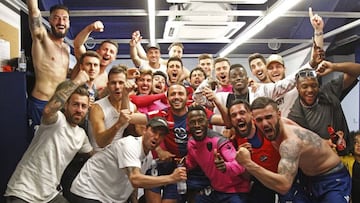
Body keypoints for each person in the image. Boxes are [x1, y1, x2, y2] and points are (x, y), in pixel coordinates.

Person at [236, 97, 351, 203]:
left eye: (269, 117)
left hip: (332, 178)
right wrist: (231, 131)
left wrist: (248, 163)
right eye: (259, 120)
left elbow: (283, 186)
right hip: (307, 178)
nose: (265, 123)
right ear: (253, 120)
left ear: (278, 115)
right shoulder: (275, 125)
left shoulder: (290, 143)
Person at [128, 83, 230, 203]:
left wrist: (217, 101)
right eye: (173, 94)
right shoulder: (163, 114)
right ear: (167, 98)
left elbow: (227, 122)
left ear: (187, 97)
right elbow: (129, 118)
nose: (176, 97)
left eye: (180, 94)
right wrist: (159, 150)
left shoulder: (197, 113)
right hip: (165, 164)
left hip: (189, 168)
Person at [5, 70, 94, 203]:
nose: (79, 110)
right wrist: (77, 81)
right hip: (23, 192)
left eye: (83, 106)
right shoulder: (57, 120)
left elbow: (95, 156)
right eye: (75, 104)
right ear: (66, 105)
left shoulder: (81, 136)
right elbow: (48, 110)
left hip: (49, 196)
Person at [70, 117, 187, 203]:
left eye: (161, 135)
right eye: (154, 132)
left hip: (109, 197)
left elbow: (134, 184)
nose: (156, 137)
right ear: (145, 130)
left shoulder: (149, 156)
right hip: (88, 191)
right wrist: (171, 178)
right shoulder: (130, 144)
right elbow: (135, 179)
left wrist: (134, 201)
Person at [288, 61, 360, 156]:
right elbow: (298, 145)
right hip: (319, 163)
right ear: (297, 88)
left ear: (318, 85)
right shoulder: (295, 116)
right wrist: (323, 143)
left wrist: (334, 67)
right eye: (304, 86)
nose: (310, 90)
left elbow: (356, 71)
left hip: (344, 155)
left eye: (313, 85)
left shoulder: (328, 92)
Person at [186, 105, 250, 202]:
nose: (197, 125)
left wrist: (225, 167)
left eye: (200, 121)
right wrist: (183, 164)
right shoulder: (191, 143)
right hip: (216, 190)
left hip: (235, 190)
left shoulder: (220, 141)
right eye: (192, 122)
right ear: (188, 125)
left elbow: (241, 165)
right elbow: (192, 161)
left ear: (207, 123)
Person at [26, 0, 71, 140]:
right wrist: (33, 5)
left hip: (58, 106)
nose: (61, 21)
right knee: (36, 146)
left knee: (53, 147)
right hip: (40, 103)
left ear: (68, 23)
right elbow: (34, 12)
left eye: (64, 18)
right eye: (56, 17)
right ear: (50, 20)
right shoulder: (42, 37)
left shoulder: (66, 49)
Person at [228, 99, 280, 203]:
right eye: (234, 115)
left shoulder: (268, 127)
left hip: (283, 178)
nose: (238, 117)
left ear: (251, 115)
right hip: (260, 184)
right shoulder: (233, 140)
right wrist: (243, 162)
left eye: (242, 113)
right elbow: (246, 177)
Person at [88, 65, 135, 151]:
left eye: (121, 83)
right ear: (108, 85)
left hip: (119, 155)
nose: (117, 87)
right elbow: (101, 143)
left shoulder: (132, 106)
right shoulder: (97, 108)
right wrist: (119, 123)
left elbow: (138, 131)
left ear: (126, 84)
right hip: (99, 156)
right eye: (113, 83)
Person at [70, 20, 119, 98]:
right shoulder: (85, 61)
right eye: (105, 49)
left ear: (114, 58)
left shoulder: (107, 79)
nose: (107, 53)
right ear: (98, 51)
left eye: (111, 52)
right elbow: (78, 45)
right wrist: (90, 28)